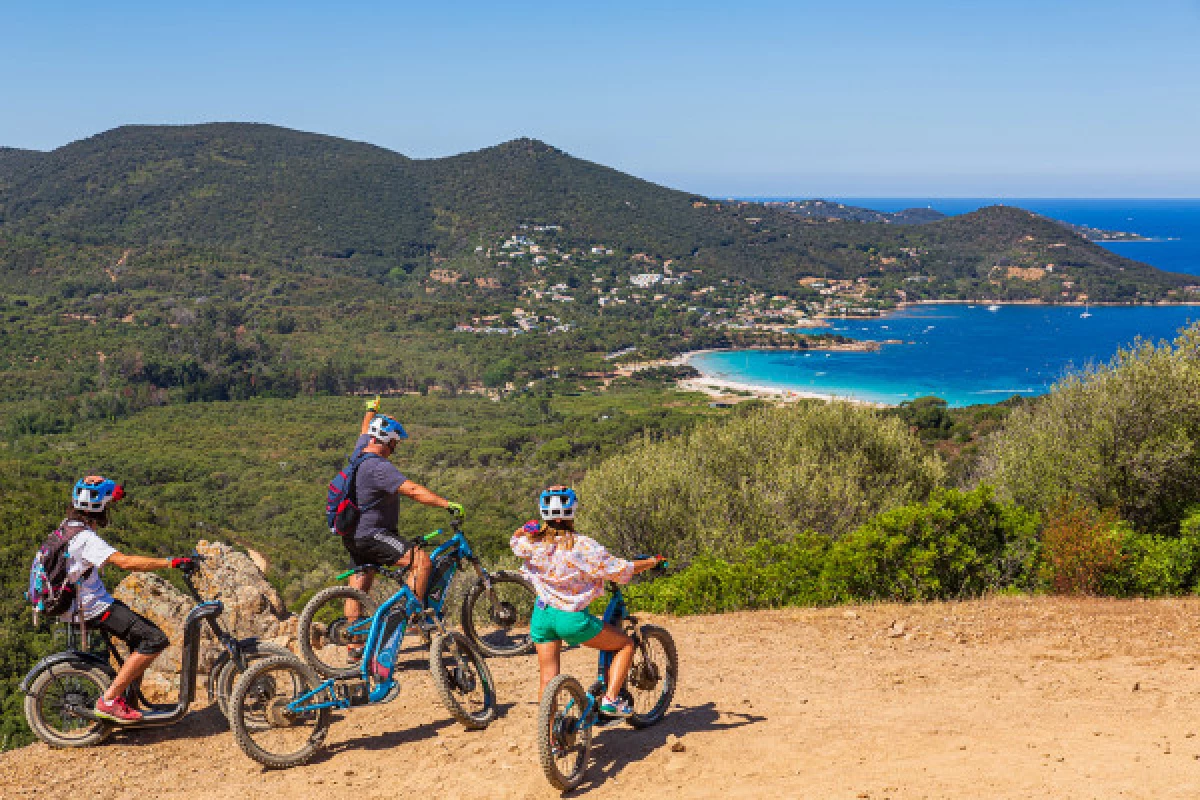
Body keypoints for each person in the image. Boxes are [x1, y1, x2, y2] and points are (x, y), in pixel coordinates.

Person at [510, 486, 664, 717]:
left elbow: (514, 540)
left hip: (541, 616)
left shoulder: (532, 543)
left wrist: (525, 529)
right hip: (571, 620)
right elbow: (622, 570)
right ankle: (611, 699)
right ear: (573, 512)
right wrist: (652, 561)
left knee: (547, 679)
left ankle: (551, 739)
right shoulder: (583, 546)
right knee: (625, 645)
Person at [57, 476, 195, 723]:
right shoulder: (87, 538)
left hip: (78, 605)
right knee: (154, 639)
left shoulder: (68, 526)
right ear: (99, 508)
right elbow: (125, 562)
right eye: (108, 505)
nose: (109, 511)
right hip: (90, 607)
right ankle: (109, 700)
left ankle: (126, 702)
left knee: (138, 638)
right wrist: (171, 562)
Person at [341, 397, 463, 655]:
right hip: (375, 534)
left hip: (353, 534)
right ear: (386, 441)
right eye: (395, 442)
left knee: (359, 585)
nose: (395, 447)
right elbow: (413, 490)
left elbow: (364, 429)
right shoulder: (379, 467)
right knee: (422, 562)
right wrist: (445, 504)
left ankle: (353, 642)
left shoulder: (360, 451)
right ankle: (412, 620)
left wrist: (371, 410)